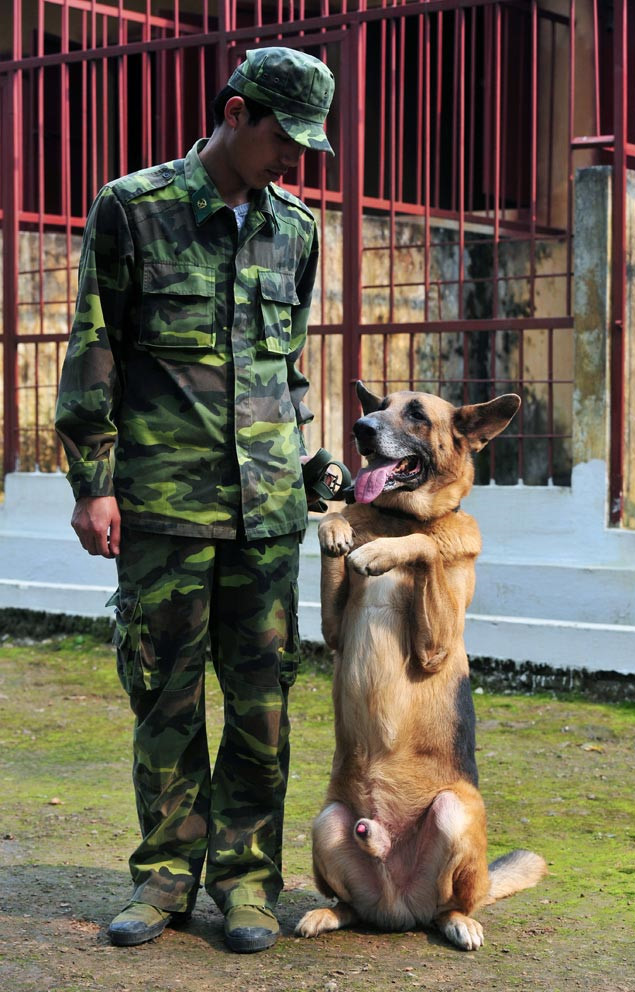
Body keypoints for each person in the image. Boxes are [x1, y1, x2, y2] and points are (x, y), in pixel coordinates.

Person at [54, 47, 335, 954]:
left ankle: (247, 883)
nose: (293, 158)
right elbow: (93, 350)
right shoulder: (133, 210)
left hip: (266, 515)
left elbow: (286, 367)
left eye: (306, 143)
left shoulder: (296, 230)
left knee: (263, 707)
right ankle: (166, 877)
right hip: (163, 507)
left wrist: (305, 458)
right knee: (164, 699)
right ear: (235, 109)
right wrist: (92, 485)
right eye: (282, 136)